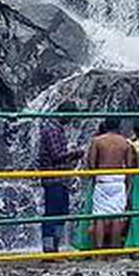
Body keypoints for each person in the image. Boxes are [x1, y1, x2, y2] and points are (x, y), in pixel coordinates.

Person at [37, 102, 81, 253]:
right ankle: (49, 249)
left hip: (60, 179)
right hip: (53, 178)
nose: (71, 121)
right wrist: (75, 154)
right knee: (52, 214)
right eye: (71, 117)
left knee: (61, 213)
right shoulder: (52, 129)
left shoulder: (56, 129)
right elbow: (56, 155)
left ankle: (54, 246)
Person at [85, 117, 131, 249]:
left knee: (99, 215)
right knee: (117, 215)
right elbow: (129, 166)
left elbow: (91, 163)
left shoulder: (97, 141)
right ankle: (114, 249)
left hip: (102, 179)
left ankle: (98, 250)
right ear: (119, 126)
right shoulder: (125, 142)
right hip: (118, 180)